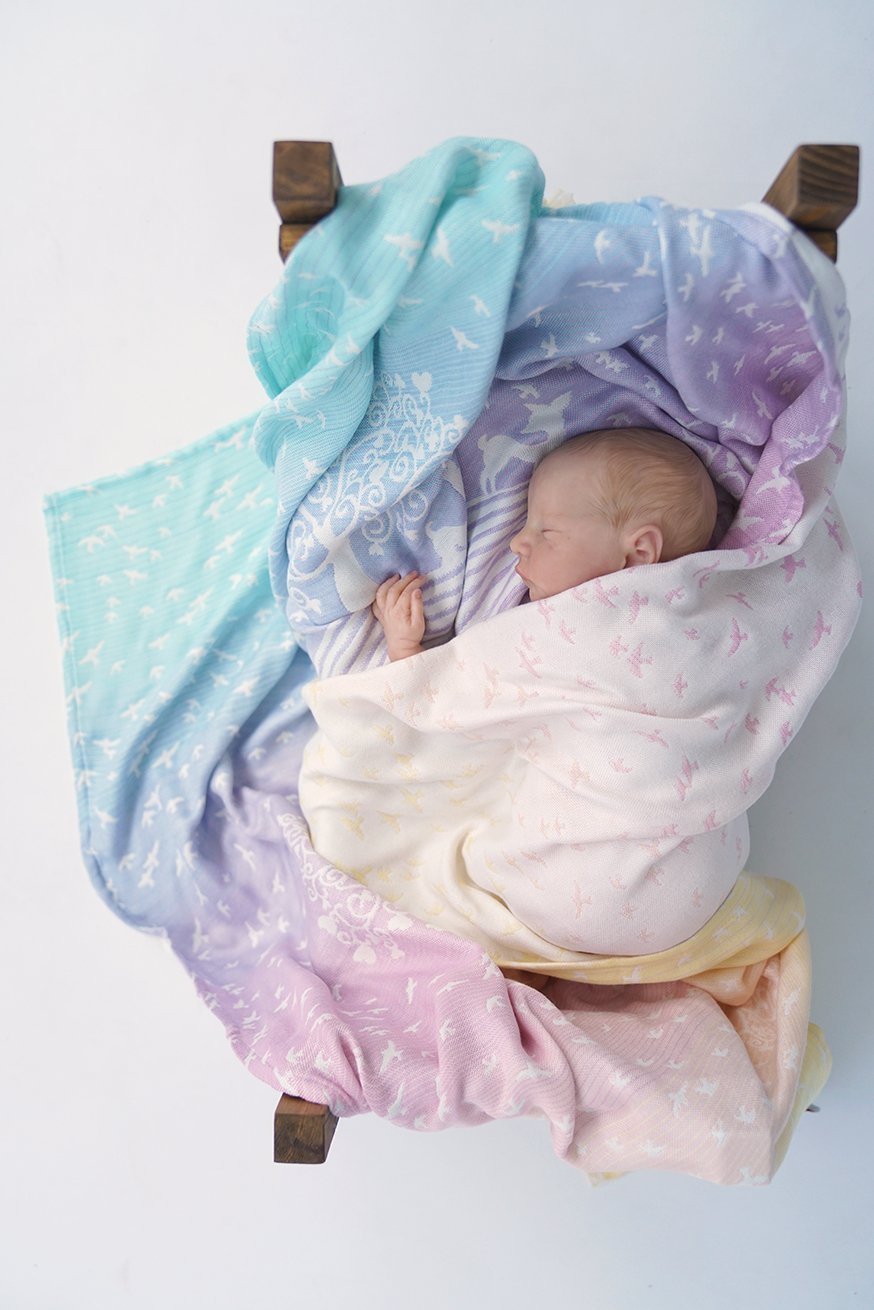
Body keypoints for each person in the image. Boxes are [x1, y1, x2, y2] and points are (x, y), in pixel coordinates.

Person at [372, 426, 718, 661]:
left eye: (547, 531)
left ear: (638, 554)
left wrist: (405, 651)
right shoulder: (541, 628)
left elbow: (458, 715)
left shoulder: (667, 636)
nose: (516, 543)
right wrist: (406, 648)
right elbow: (474, 708)